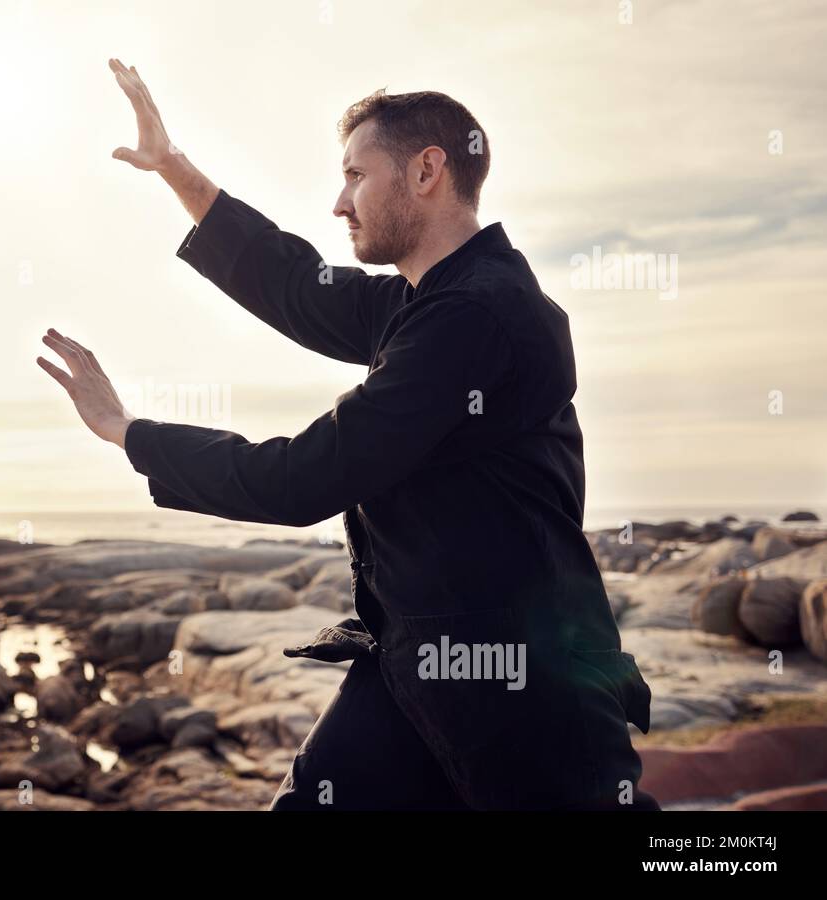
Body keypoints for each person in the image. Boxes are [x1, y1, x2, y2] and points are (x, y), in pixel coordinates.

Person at [35, 58, 660, 811]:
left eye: (356, 176)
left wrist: (129, 432)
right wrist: (174, 167)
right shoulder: (425, 299)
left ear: (426, 171)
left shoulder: (477, 314)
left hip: (527, 688)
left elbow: (303, 478)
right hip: (414, 668)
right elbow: (297, 286)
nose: (339, 203)